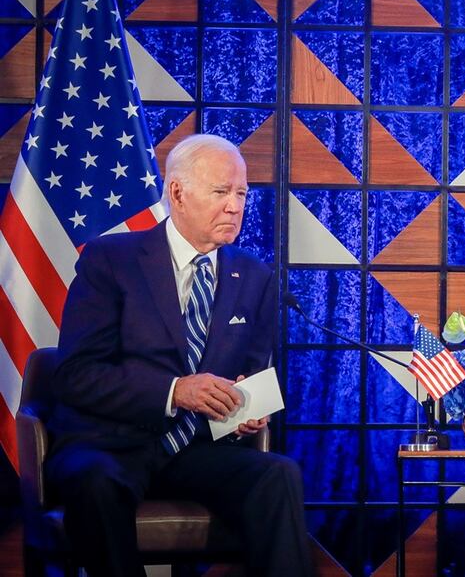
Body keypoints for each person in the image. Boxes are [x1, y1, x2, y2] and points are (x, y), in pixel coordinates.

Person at [44, 134, 313, 577]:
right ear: (177, 193)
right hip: (109, 443)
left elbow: (252, 372)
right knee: (94, 482)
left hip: (196, 448)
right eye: (221, 191)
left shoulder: (255, 276)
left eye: (242, 193)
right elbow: (75, 375)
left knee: (277, 473)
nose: (235, 206)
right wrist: (175, 391)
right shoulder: (111, 260)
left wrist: (247, 411)